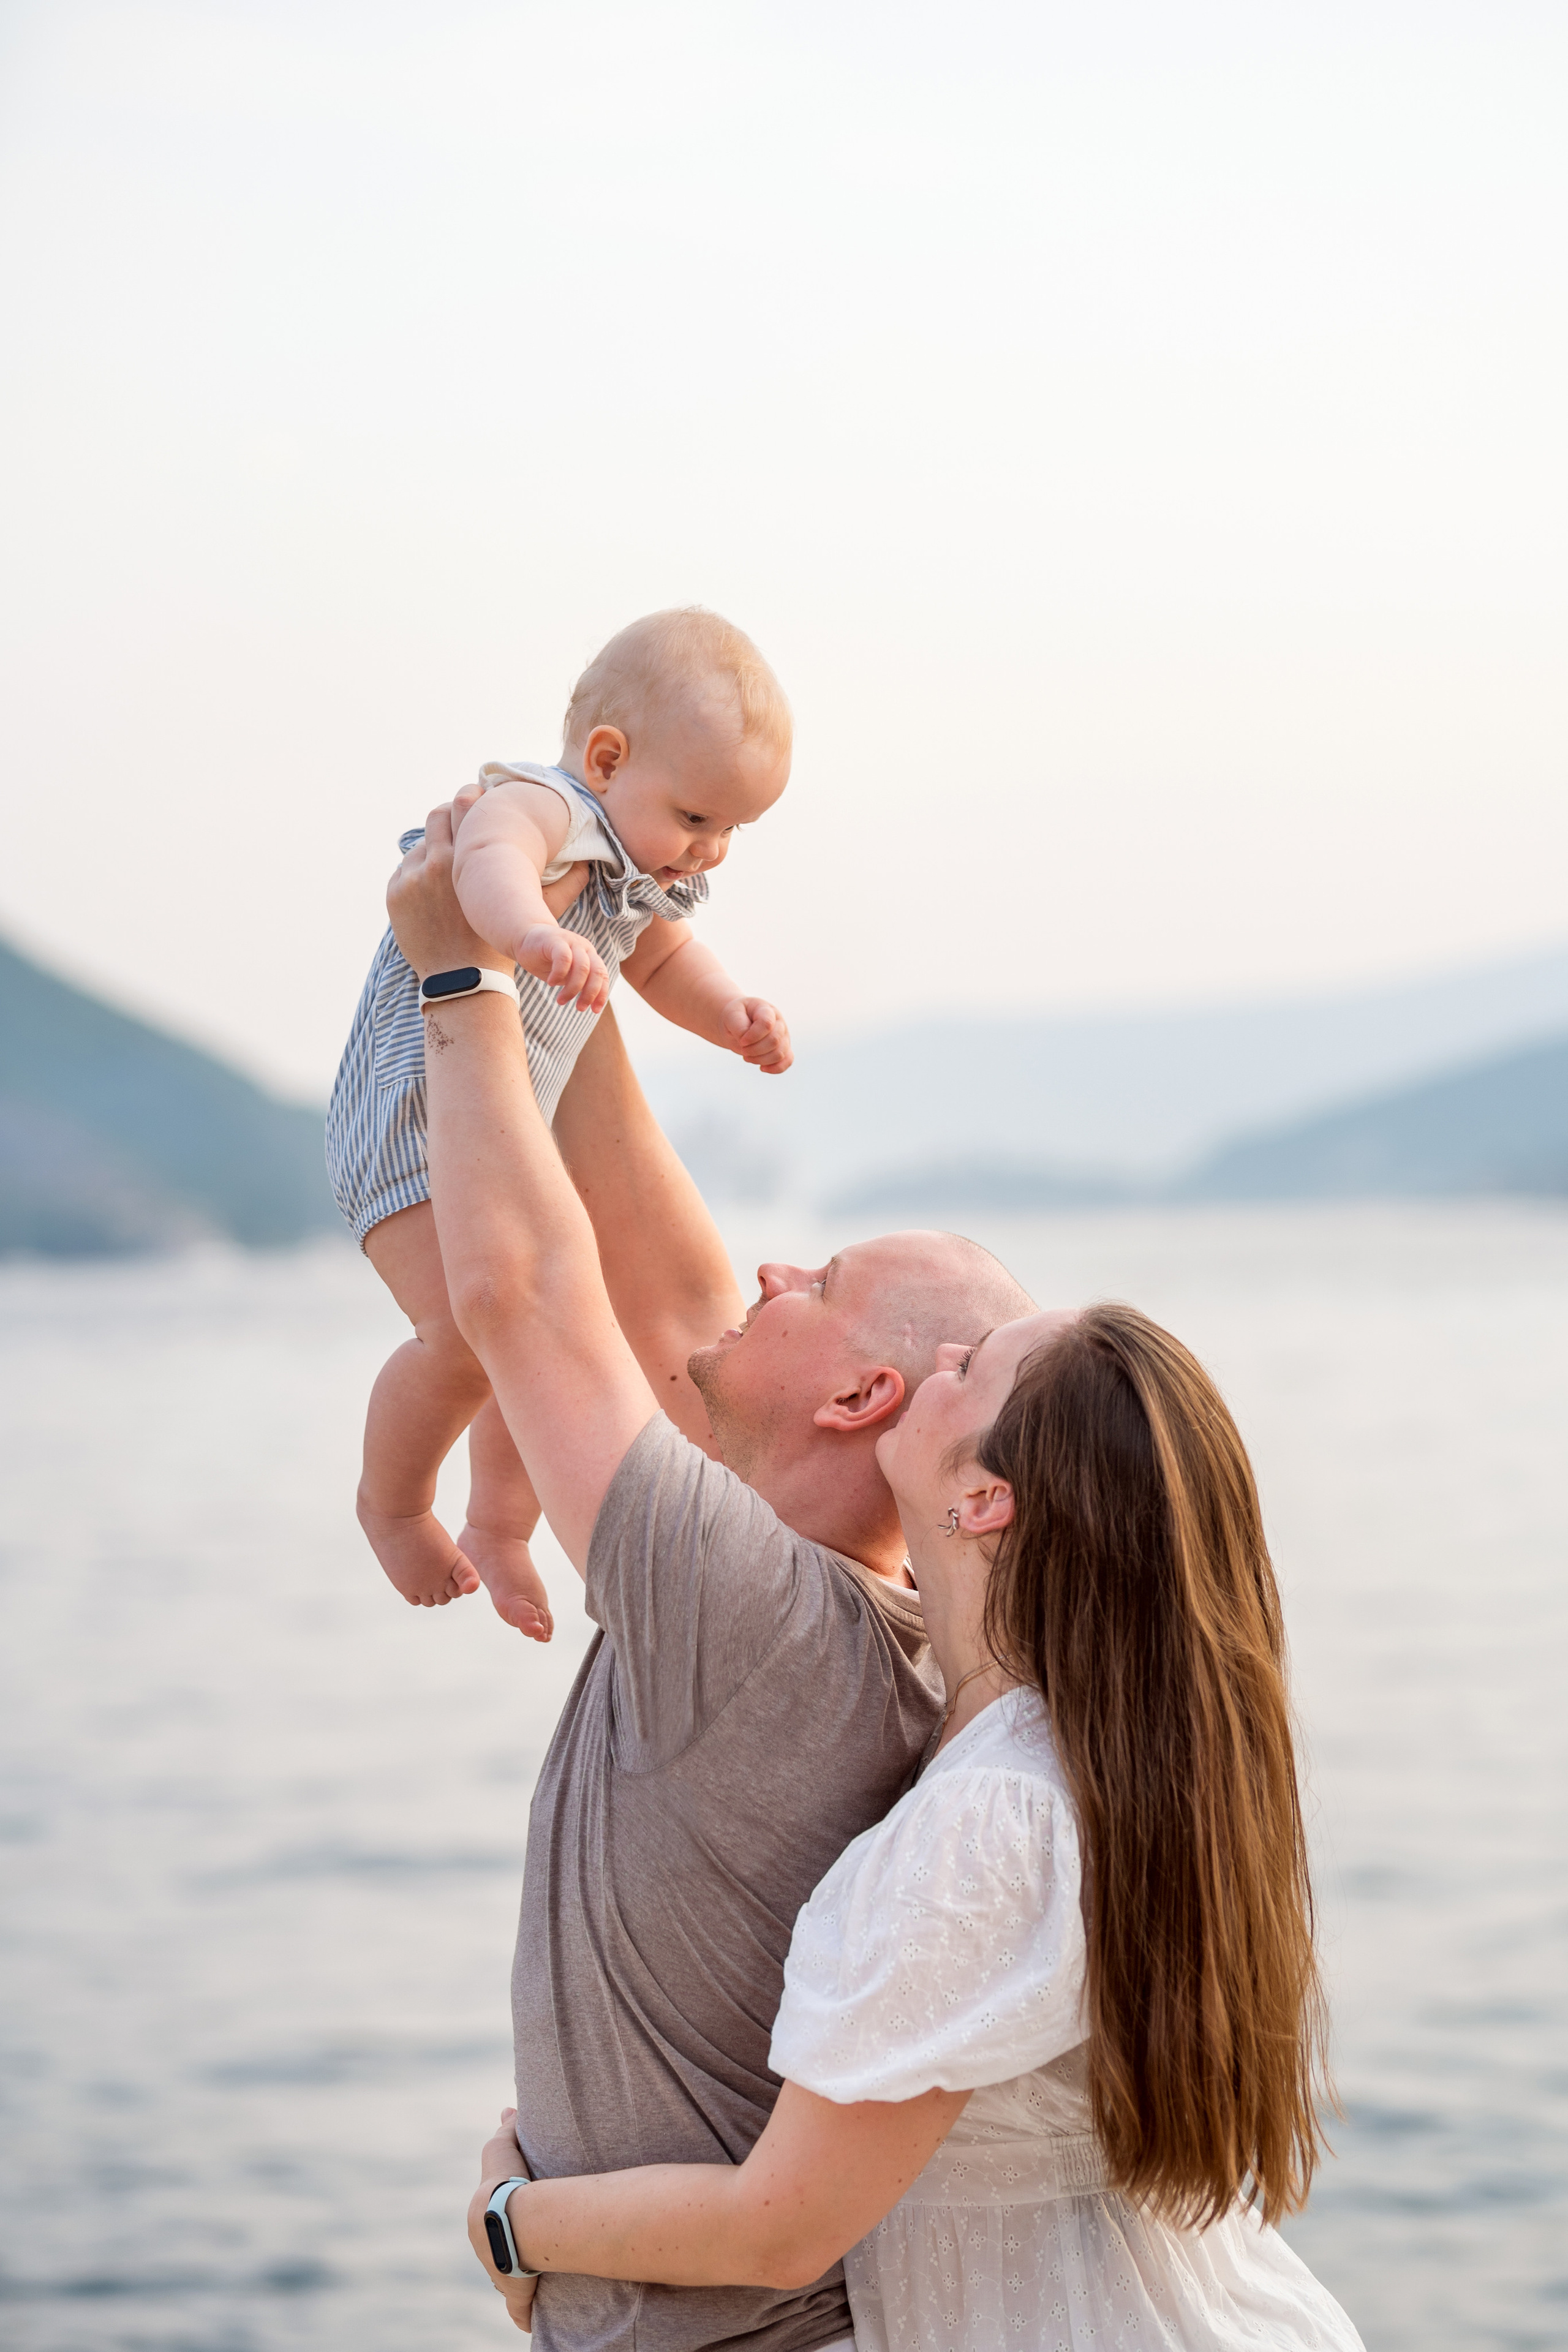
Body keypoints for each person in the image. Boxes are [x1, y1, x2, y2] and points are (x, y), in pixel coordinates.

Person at [385, 806, 1038, 2352]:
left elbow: (522, 1291)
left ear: (863, 1401)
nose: (767, 1272)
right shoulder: (810, 1576)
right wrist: (574, 913)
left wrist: (456, 986)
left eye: (816, 1282)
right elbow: (660, 1271)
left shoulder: (758, 1617)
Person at [469, 1302, 1365, 2352]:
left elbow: (780, 2229)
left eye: (971, 1366)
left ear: (986, 1499)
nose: (941, 1355)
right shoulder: (1044, 1745)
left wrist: (511, 2223)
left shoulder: (992, 1819)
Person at [326, 608, 794, 1640]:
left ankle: (501, 1522)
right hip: (406, 1126)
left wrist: (733, 1020)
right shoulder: (543, 807)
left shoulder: (641, 866)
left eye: (730, 833)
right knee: (463, 1330)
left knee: (538, 1335)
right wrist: (534, 934)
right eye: (696, 817)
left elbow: (665, 961)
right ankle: (392, 1504)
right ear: (607, 757)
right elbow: (478, 871)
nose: (706, 849)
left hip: (497, 1128)